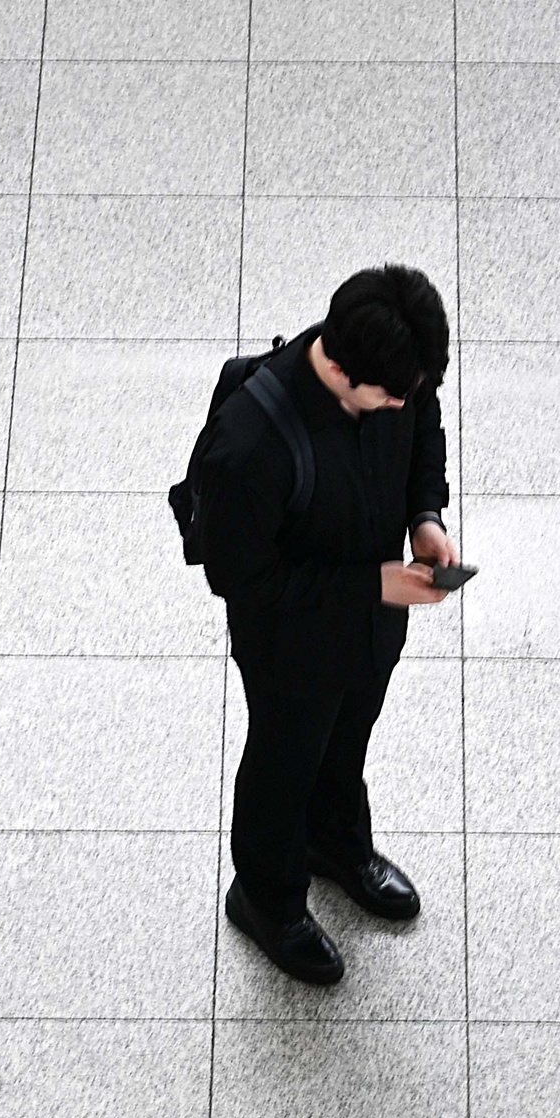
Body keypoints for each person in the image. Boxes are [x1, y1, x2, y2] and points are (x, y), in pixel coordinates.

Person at [190, 264, 458, 987]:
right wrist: (374, 582)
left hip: (373, 626)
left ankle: (337, 842)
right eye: (390, 396)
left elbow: (422, 429)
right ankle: (267, 896)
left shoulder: (395, 376)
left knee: (346, 741)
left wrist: (425, 515)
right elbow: (241, 578)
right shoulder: (251, 446)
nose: (404, 402)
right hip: (290, 646)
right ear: (339, 367)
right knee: (285, 760)